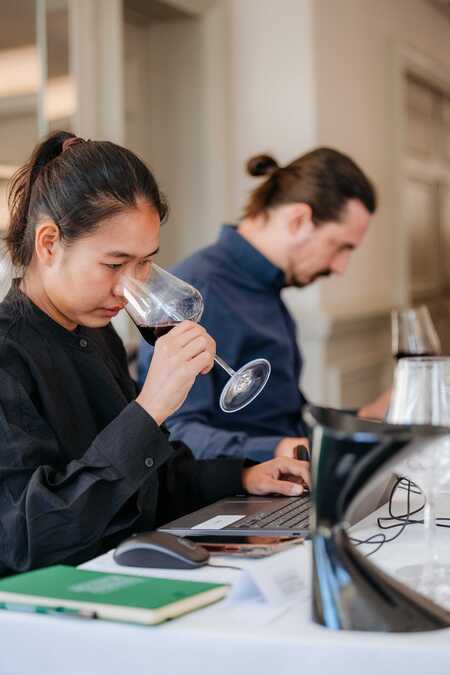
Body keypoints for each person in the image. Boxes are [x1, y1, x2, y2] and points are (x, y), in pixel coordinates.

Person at [0, 132, 310, 576]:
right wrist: (149, 409)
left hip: (133, 571)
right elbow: (28, 536)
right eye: (114, 264)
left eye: (144, 262)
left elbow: (146, 481)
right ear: (49, 243)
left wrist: (243, 477)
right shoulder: (8, 355)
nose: (130, 289)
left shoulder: (96, 334)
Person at [138, 147, 387, 462]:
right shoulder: (196, 294)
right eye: (340, 247)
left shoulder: (268, 285)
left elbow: (280, 417)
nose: (340, 267)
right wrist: (285, 450)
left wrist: (363, 418)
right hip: (240, 484)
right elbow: (177, 434)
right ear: (299, 220)